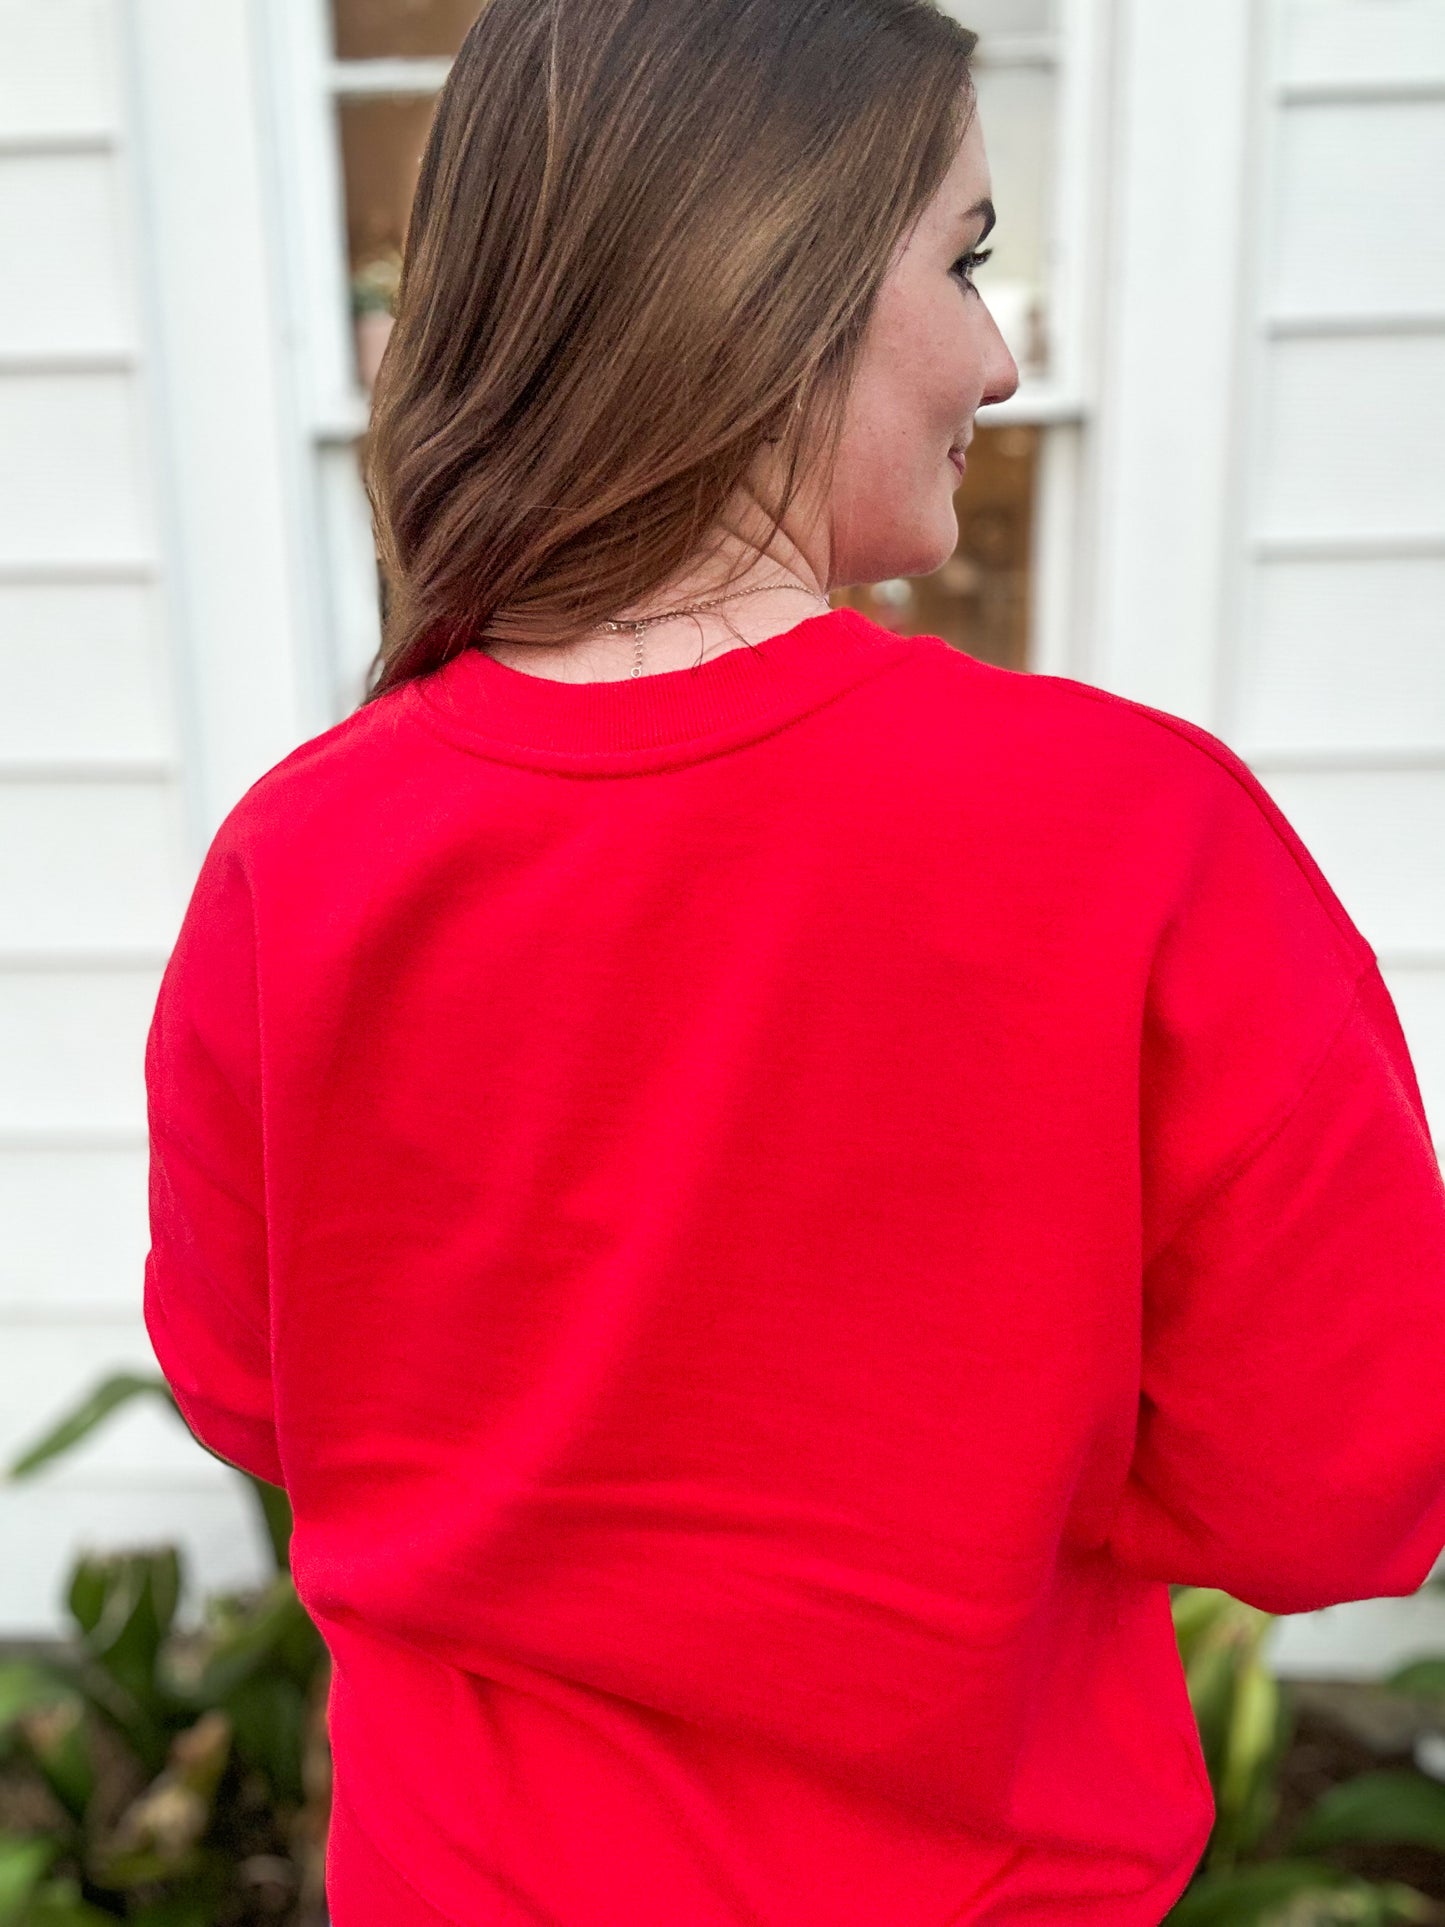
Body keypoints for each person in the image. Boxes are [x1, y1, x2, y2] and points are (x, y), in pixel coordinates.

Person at [142, 0, 1445, 1920]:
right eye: (966, 257)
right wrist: (987, 1454)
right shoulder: (1130, 837)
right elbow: (1337, 1485)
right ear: (773, 280)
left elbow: (256, 1389)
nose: (997, 360)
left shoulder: (299, 858)